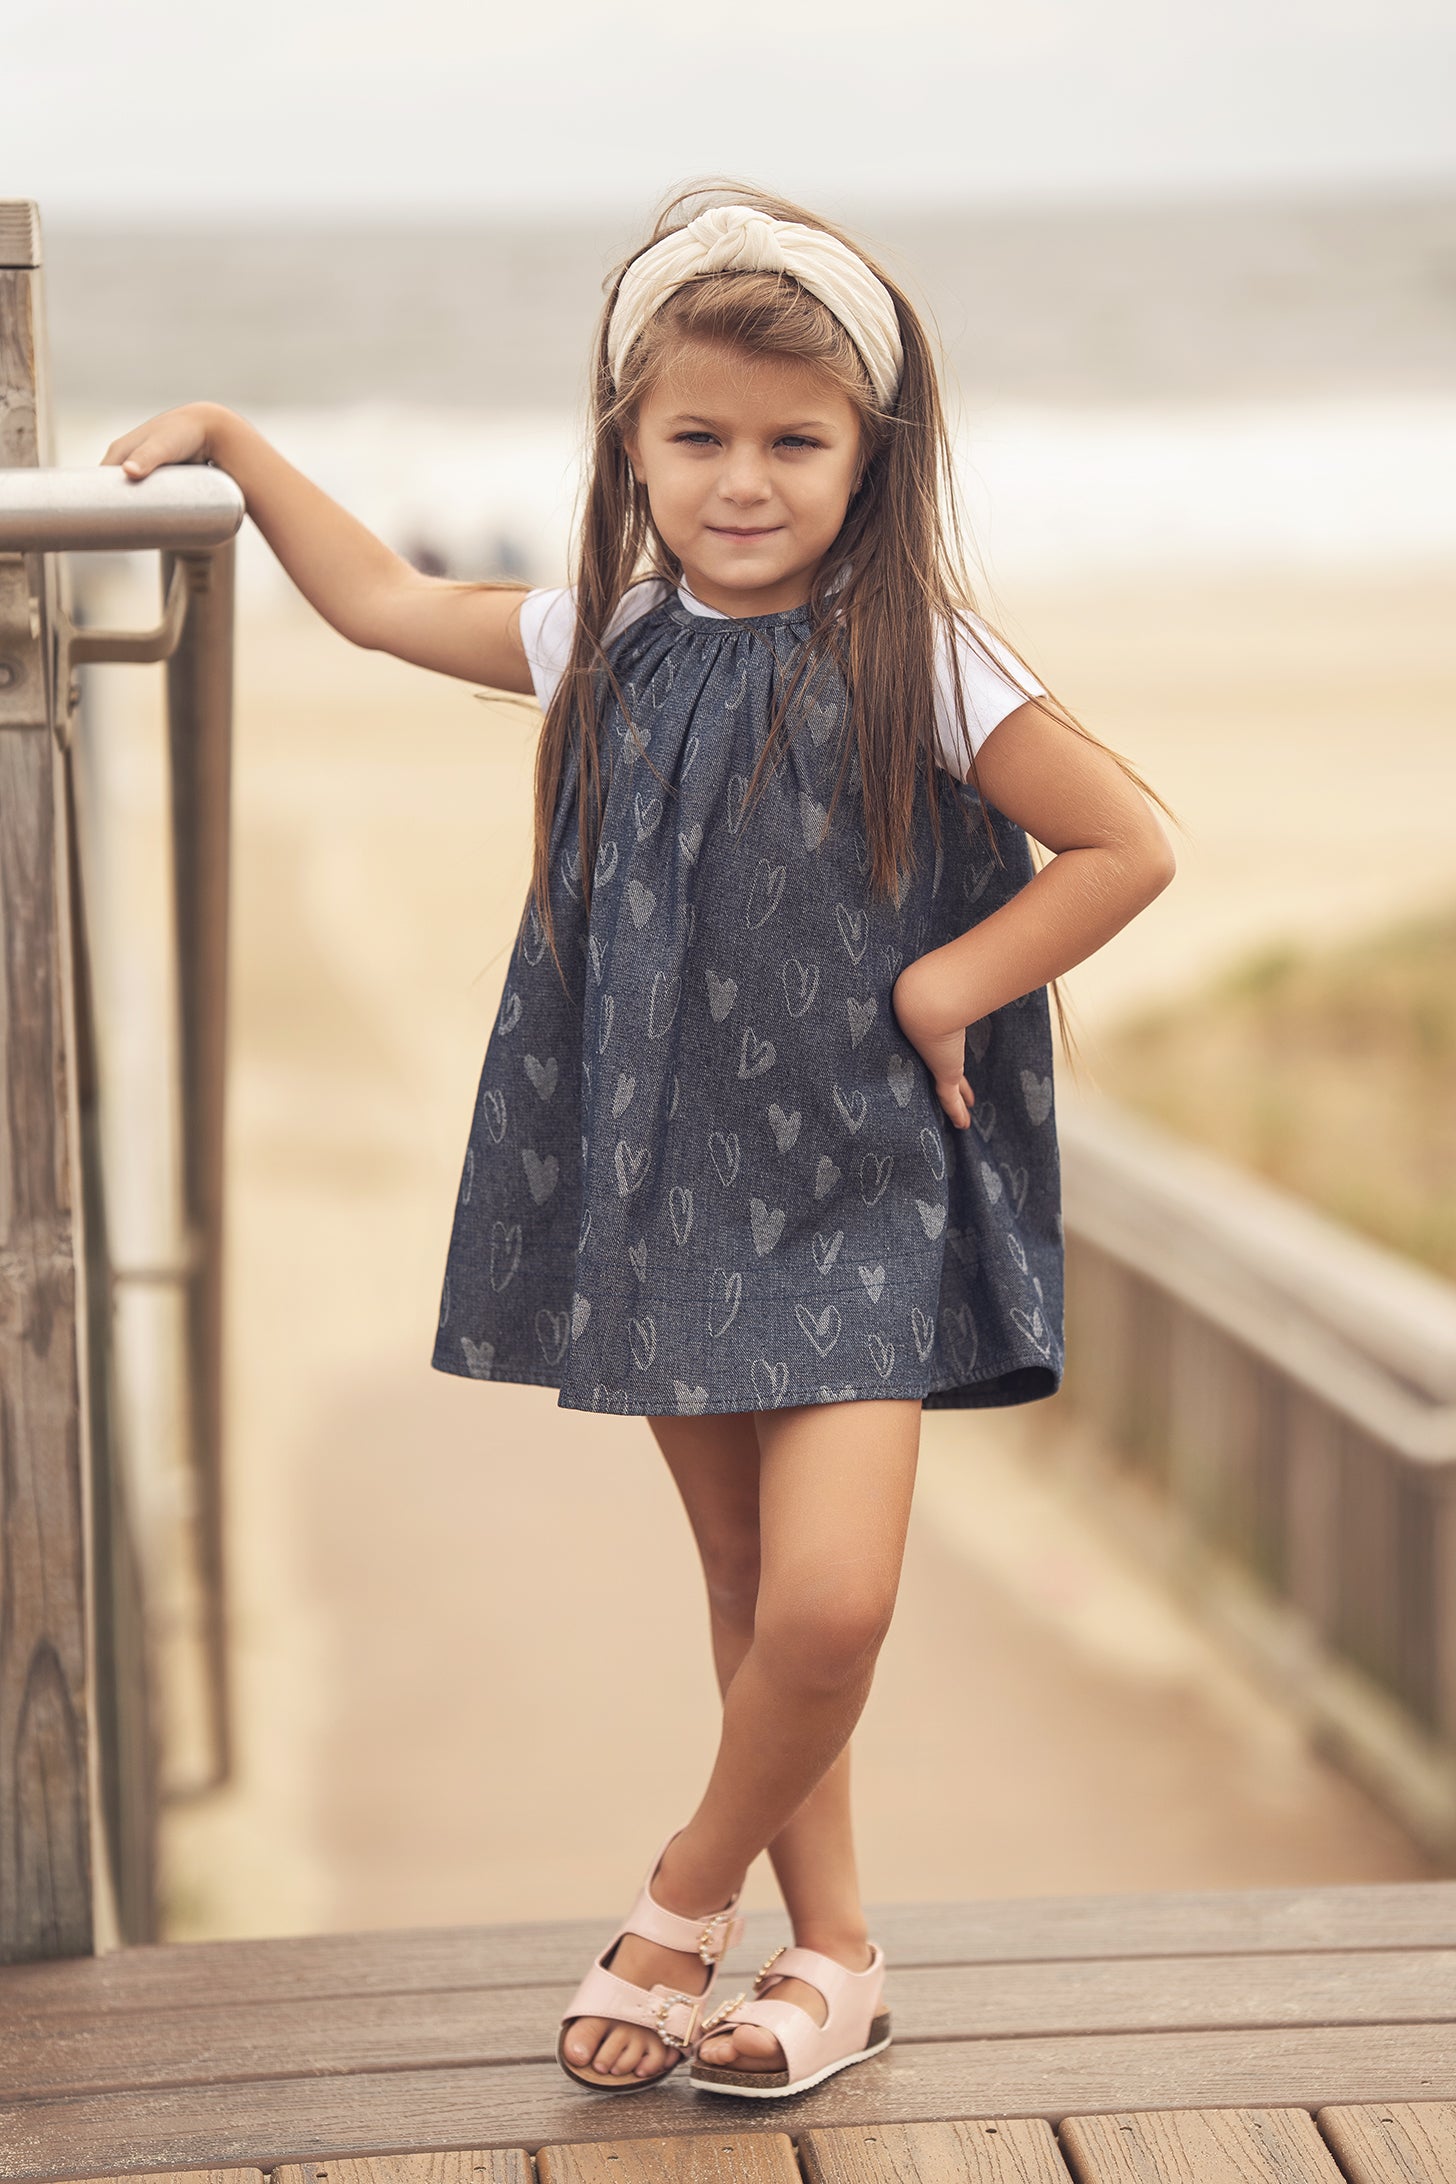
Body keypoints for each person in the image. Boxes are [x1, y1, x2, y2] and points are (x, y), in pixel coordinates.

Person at [103, 183, 1178, 2103]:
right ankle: (830, 1957)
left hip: (855, 1185)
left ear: (871, 452)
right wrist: (237, 447)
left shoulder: (917, 655)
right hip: (668, 1180)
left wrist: (946, 989)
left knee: (833, 1602)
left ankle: (681, 1902)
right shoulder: (603, 632)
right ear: (630, 444)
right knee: (756, 1594)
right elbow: (373, 605)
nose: (742, 480)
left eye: (793, 440)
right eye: (698, 437)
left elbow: (1122, 844)